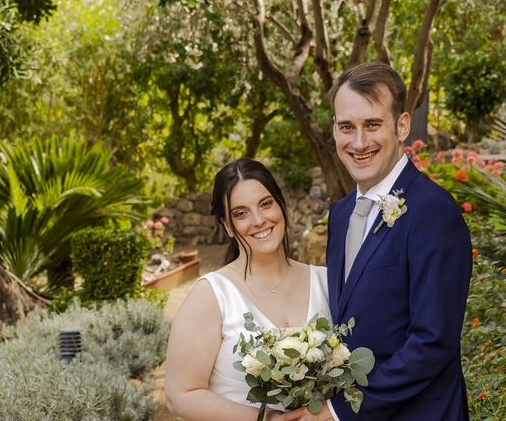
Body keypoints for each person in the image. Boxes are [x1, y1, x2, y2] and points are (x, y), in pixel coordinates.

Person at [291, 62, 472, 420]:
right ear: (334, 130)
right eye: (347, 127)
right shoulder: (341, 214)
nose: (358, 143)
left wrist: (339, 411)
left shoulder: (434, 212)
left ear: (402, 125)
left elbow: (432, 342)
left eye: (372, 125)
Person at [164, 158, 330, 421]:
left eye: (266, 204)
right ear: (227, 226)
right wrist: (267, 419)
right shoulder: (212, 295)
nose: (259, 220)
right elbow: (179, 395)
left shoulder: (327, 283)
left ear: (280, 205)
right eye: (241, 213)